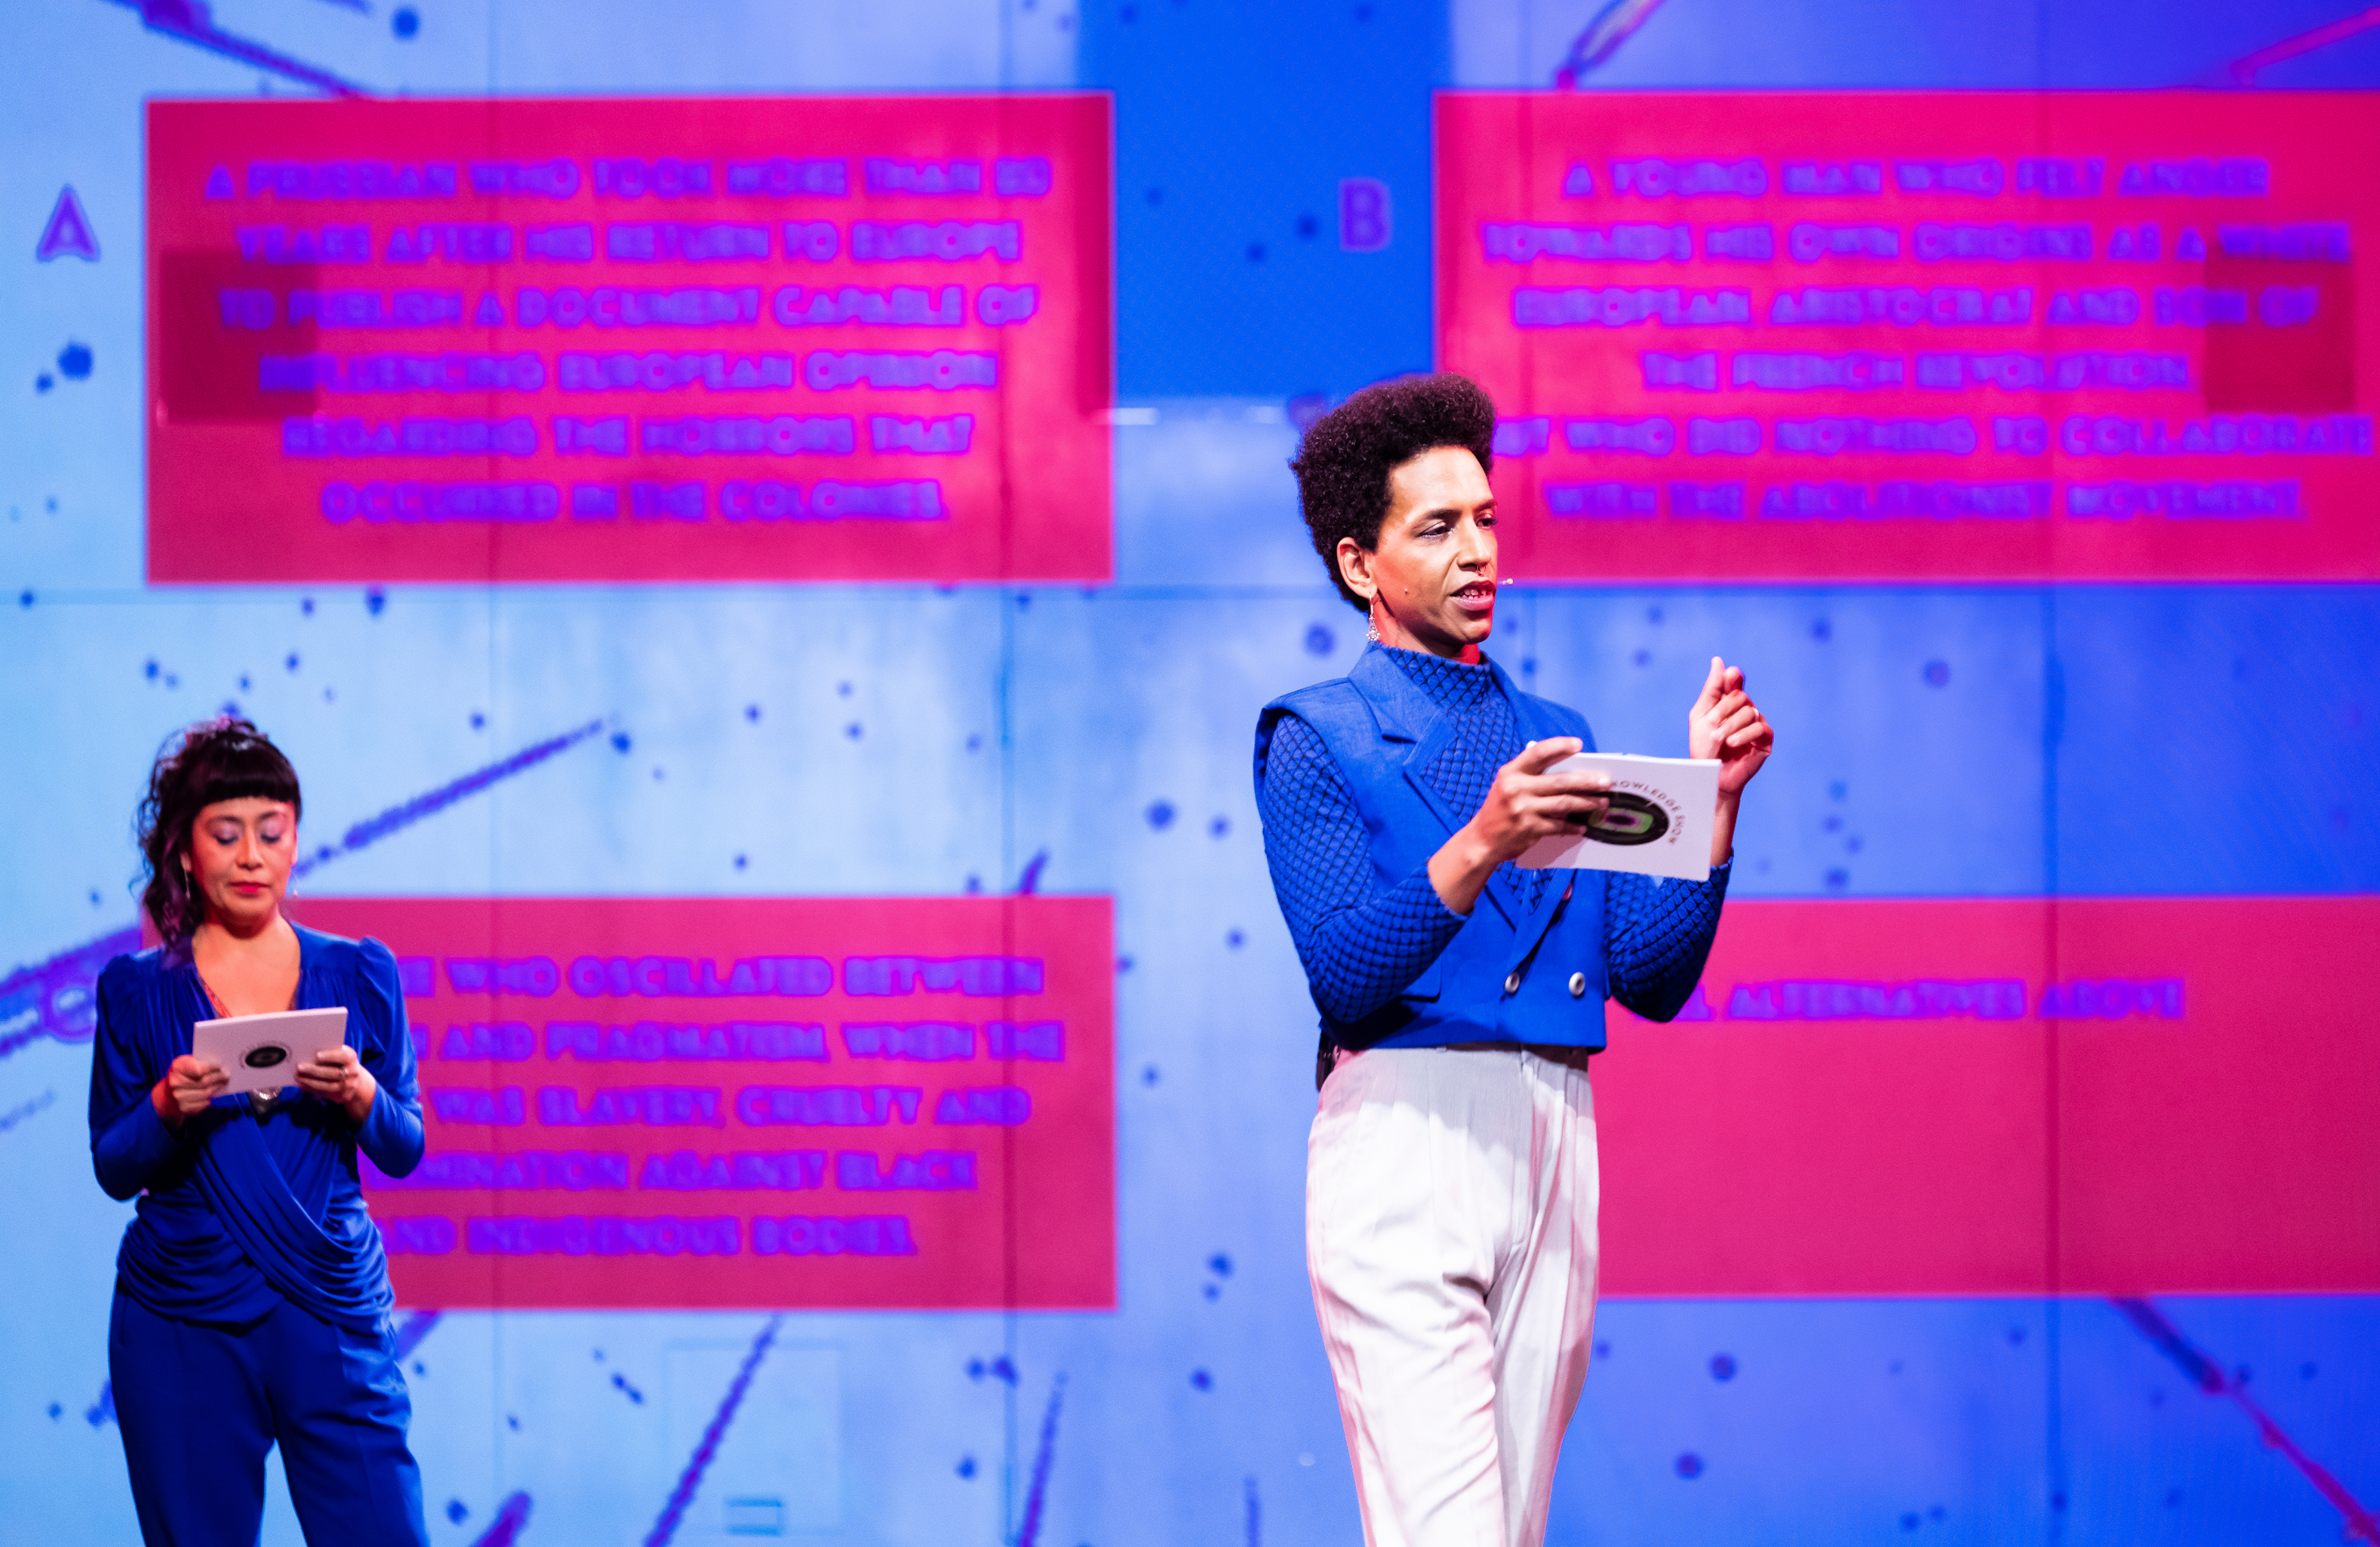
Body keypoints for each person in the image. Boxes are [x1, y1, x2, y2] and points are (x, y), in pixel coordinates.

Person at [1253, 374, 1774, 1547]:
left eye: (1485, 517)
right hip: (1405, 1139)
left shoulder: (1560, 731)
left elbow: (1649, 974)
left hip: (1556, 1137)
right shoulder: (1315, 736)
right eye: (1436, 527)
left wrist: (1714, 816)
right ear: (1359, 564)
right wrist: (1485, 836)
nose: (1476, 549)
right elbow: (1345, 972)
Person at [88, 717, 429, 1547]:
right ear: (182, 850)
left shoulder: (360, 969)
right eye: (227, 834)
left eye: (271, 833)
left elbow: (404, 1142)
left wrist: (360, 1094)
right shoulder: (135, 990)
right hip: (181, 1316)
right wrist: (168, 1107)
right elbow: (110, 1161)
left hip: (330, 1307)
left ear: (294, 841)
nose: (251, 856)